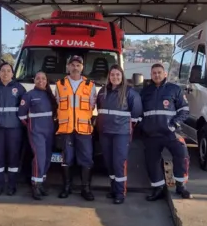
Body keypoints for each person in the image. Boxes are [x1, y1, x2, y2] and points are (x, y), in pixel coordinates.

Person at [139, 63, 192, 200]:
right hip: (151, 134)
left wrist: (174, 124)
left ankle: (181, 187)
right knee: (152, 161)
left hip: (171, 133)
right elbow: (138, 111)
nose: (157, 75)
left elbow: (184, 110)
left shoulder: (174, 89)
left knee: (182, 155)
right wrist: (143, 126)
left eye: (159, 72)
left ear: (165, 74)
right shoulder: (145, 91)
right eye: (154, 73)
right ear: (151, 75)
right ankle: (158, 189)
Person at [96, 65, 142, 204]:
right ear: (109, 77)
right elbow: (100, 109)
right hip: (105, 132)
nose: (115, 77)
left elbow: (136, 114)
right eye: (112, 75)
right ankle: (113, 189)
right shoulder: (103, 92)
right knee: (109, 163)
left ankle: (120, 193)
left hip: (121, 134)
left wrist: (126, 127)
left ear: (122, 76)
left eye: (118, 75)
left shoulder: (130, 92)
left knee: (119, 163)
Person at [54, 55, 97, 201]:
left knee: (86, 159)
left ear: (82, 67)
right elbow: (57, 105)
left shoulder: (90, 85)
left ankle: (86, 189)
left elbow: (93, 106)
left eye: (78, 65)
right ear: (68, 67)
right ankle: (66, 188)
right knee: (67, 159)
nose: (75, 67)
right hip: (66, 130)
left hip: (84, 130)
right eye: (72, 65)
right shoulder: (59, 84)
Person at [0, 62, 26, 196]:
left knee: (13, 158)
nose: (5, 73)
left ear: (12, 73)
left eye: (8, 71)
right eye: (3, 71)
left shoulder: (19, 88)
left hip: (14, 128)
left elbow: (23, 108)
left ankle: (11, 186)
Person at [18, 71, 58, 200]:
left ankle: (41, 183)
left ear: (47, 81)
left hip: (49, 132)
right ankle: (35, 185)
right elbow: (22, 115)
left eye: (43, 78)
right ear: (34, 80)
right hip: (36, 132)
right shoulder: (29, 95)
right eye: (38, 78)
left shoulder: (50, 96)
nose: (41, 81)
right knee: (39, 158)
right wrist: (31, 127)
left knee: (46, 159)